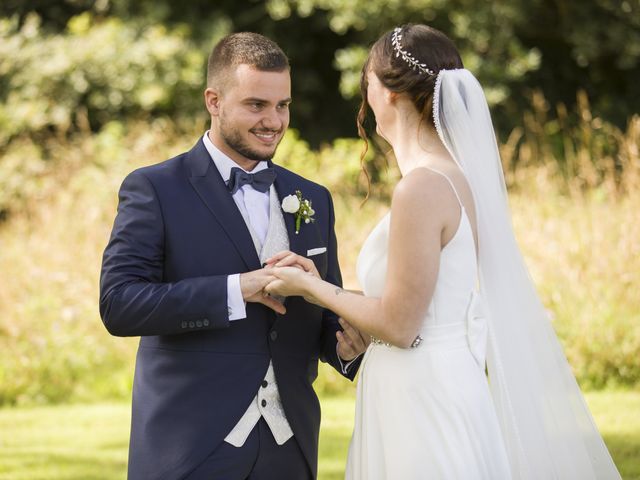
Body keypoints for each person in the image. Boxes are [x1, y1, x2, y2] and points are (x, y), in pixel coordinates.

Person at [264, 24, 621, 479]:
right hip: (433, 379)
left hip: (421, 394)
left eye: (368, 83)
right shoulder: (453, 177)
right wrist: (332, 294)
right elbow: (419, 299)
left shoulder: (422, 187)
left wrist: (311, 289)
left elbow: (400, 323)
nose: (366, 97)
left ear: (390, 94)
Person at [99, 32, 366, 480]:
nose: (274, 121)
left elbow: (323, 316)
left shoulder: (312, 198)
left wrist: (346, 346)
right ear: (214, 100)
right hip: (190, 449)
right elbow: (120, 304)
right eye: (256, 105)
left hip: (289, 447)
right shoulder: (155, 189)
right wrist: (238, 289)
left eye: (283, 105)